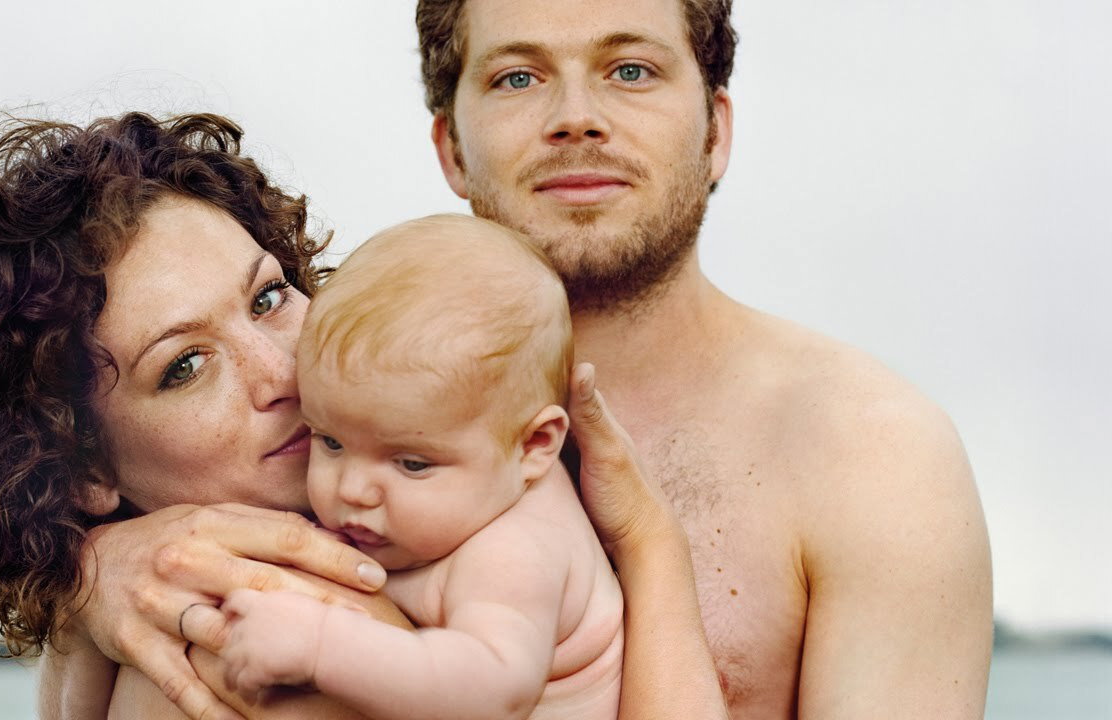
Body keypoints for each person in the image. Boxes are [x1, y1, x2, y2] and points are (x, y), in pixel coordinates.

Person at [0, 111, 708, 720]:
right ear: (82, 470)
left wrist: (648, 539)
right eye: (185, 366)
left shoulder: (457, 464)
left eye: (269, 297)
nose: (285, 373)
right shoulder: (245, 638)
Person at [414, 0, 994, 717]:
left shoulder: (873, 452)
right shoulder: (339, 423)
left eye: (631, 70)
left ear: (716, 132)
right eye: (517, 78)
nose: (575, 116)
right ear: (452, 149)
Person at [219, 214, 623, 718]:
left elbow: (492, 692)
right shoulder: (480, 473)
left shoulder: (516, 551)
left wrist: (319, 643)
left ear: (535, 446)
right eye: (332, 442)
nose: (353, 489)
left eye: (411, 464)